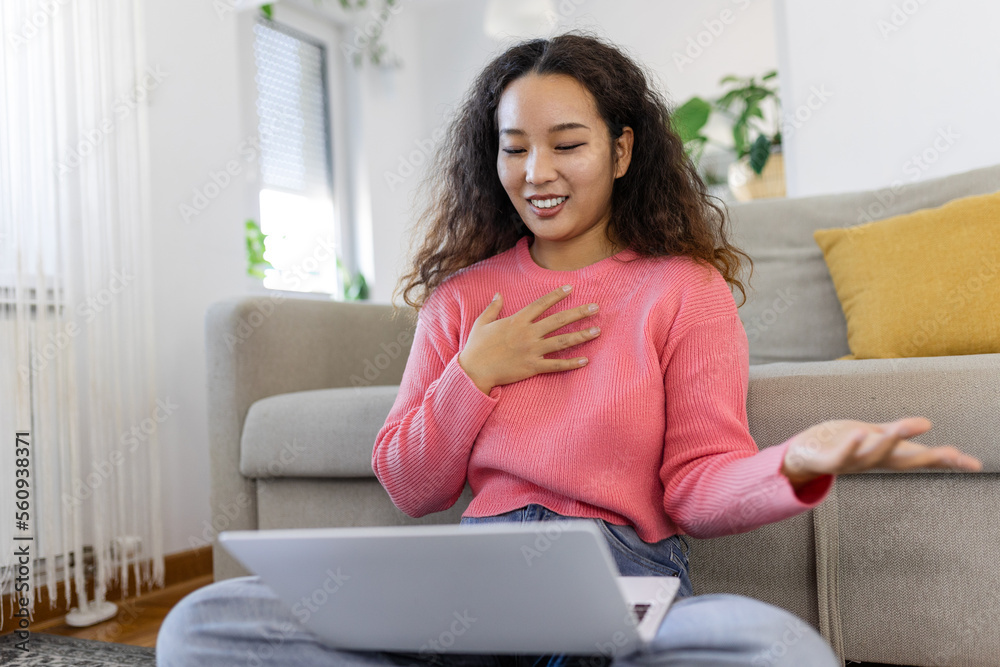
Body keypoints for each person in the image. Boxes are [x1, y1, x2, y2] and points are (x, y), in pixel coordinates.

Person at [156, 31, 983, 667]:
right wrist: (473, 372)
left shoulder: (680, 291)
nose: (536, 169)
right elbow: (410, 484)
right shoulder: (462, 300)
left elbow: (696, 485)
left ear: (621, 151)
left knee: (771, 644)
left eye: (567, 142)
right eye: (514, 145)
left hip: (623, 590)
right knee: (204, 620)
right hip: (476, 593)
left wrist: (796, 461)